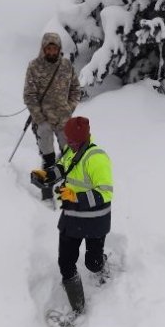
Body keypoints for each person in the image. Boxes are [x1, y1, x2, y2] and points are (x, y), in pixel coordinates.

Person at [32, 116, 113, 314]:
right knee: (66, 263)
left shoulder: (97, 158)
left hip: (95, 219)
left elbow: (105, 193)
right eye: (69, 140)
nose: (70, 144)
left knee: (92, 264)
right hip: (72, 217)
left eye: (74, 141)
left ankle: (101, 264)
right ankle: (78, 308)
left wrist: (76, 197)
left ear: (85, 138)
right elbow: (64, 167)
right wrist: (48, 175)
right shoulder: (70, 149)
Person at [23, 32, 81, 169]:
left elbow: (76, 89)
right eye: (48, 48)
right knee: (46, 147)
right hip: (43, 118)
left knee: (69, 154)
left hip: (63, 117)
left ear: (59, 49)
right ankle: (48, 171)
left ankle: (65, 172)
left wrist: (69, 108)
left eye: (55, 48)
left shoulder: (67, 65)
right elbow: (29, 95)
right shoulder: (34, 66)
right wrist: (39, 118)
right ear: (43, 48)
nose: (51, 52)